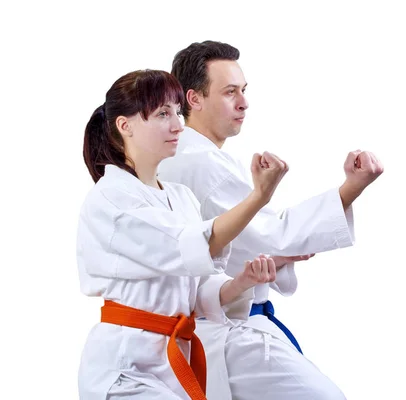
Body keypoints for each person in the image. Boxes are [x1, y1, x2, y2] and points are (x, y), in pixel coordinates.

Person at [158, 41, 384, 399]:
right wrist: (351, 188)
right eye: (230, 92)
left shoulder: (178, 157)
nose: (244, 103)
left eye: (244, 90)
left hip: (209, 325)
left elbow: (236, 241)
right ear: (194, 99)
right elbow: (277, 236)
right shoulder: (202, 164)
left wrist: (280, 251)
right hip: (230, 329)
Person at [77, 69, 288, 400]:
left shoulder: (181, 197)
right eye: (163, 113)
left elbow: (197, 290)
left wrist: (241, 283)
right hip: (125, 369)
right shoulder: (112, 197)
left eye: (177, 111)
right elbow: (186, 246)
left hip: (174, 364)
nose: (177, 124)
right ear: (125, 125)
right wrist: (258, 197)